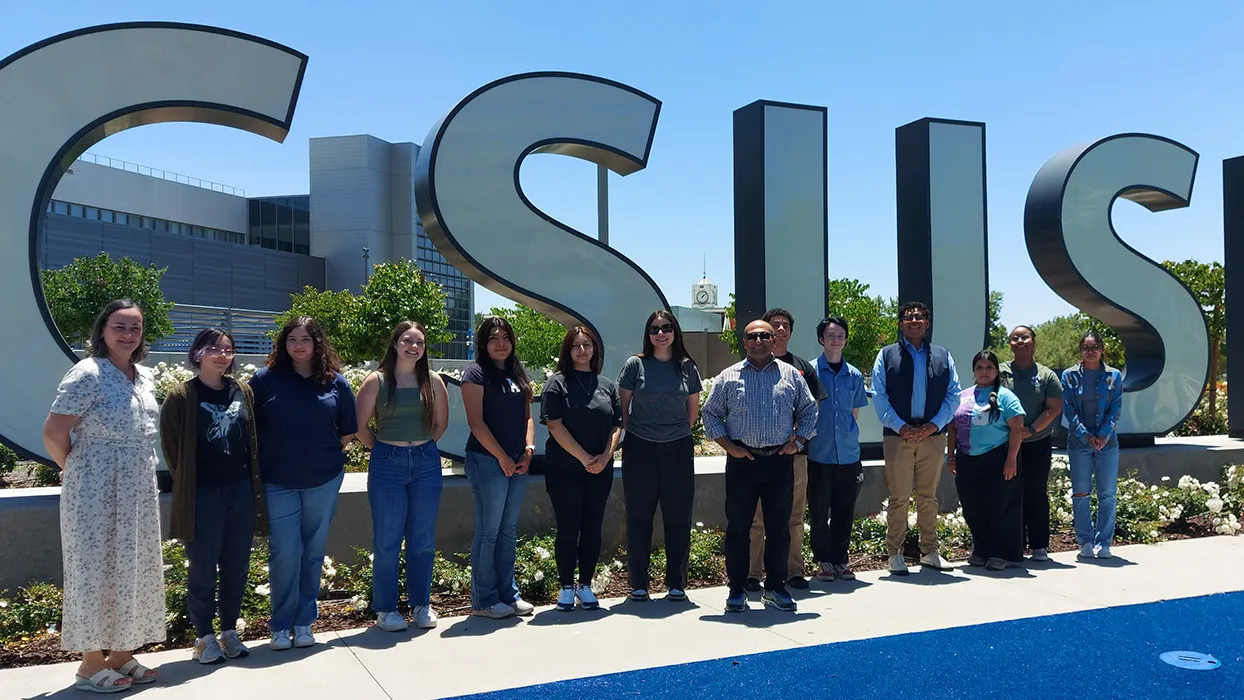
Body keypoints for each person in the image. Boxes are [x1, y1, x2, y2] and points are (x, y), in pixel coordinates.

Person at [43, 299, 165, 692]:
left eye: (135, 327)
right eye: (120, 326)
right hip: (95, 488)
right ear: (103, 330)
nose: (128, 334)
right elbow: (54, 433)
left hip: (137, 490)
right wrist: (76, 471)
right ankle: (89, 664)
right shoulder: (87, 373)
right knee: (94, 571)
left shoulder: (142, 377)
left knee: (133, 567)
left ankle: (122, 654)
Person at [250, 317, 358, 650]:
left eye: (306, 339)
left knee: (312, 552)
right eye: (292, 339)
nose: (299, 345)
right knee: (285, 552)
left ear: (317, 344)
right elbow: (250, 430)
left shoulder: (336, 383)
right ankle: (281, 625)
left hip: (322, 480)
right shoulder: (264, 381)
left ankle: (304, 622)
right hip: (277, 480)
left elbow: (347, 433)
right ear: (283, 344)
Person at [160, 328, 267, 664]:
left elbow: (252, 438)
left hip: (240, 492)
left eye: (228, 349)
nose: (222, 355)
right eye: (214, 349)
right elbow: (172, 448)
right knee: (203, 567)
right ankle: (203, 637)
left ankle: (229, 632)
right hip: (203, 494)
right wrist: (191, 486)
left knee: (236, 565)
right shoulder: (181, 396)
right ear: (197, 354)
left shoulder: (242, 391)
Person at [702, 320, 818, 613]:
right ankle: (737, 590)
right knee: (739, 528)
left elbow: (810, 409)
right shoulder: (729, 376)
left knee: (779, 529)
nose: (759, 341)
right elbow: (710, 413)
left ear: (773, 340)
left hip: (779, 462)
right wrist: (730, 447)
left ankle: (776, 588)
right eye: (752, 336)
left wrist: (799, 441)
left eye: (764, 335)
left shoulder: (790, 375)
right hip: (743, 463)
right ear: (744, 341)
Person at [355, 321, 449, 632]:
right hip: (388, 465)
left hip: (425, 464)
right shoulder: (376, 381)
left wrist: (418, 449)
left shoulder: (433, 382)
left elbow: (440, 425)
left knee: (422, 540)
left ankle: (421, 604)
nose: (413, 346)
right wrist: (387, 450)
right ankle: (386, 609)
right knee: (387, 540)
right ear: (395, 344)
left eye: (419, 342)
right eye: (407, 340)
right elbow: (360, 427)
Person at [616, 310, 703, 602]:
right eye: (655, 328)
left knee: (678, 517)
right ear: (648, 333)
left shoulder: (687, 368)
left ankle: (676, 583)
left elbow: (693, 411)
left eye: (666, 327)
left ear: (675, 331)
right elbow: (623, 409)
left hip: (678, 449)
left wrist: (672, 433)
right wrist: (642, 433)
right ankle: (639, 583)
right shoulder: (634, 365)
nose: (661, 333)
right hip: (640, 449)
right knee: (639, 516)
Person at [871, 301, 961, 575]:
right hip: (898, 437)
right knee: (898, 497)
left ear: (928, 323)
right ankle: (894, 554)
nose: (914, 321)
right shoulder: (886, 355)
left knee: (928, 496)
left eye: (920, 317)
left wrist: (934, 426)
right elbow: (879, 395)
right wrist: (900, 426)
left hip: (932, 436)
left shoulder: (943, 356)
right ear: (900, 323)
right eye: (908, 317)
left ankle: (929, 552)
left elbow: (953, 395)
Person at [539, 326, 623, 612]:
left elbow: (616, 426)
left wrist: (604, 457)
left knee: (592, 526)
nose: (582, 350)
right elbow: (554, 425)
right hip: (565, 469)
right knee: (568, 527)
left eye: (587, 345)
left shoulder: (607, 385)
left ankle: (585, 585)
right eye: (576, 345)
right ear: (568, 350)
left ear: (595, 349)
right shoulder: (557, 384)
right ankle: (565, 586)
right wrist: (586, 457)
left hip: (601, 468)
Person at [745, 308, 826, 591]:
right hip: (756, 457)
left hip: (794, 455)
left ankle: (793, 571)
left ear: (790, 332)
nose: (780, 330)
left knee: (793, 515)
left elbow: (814, 407)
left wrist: (797, 438)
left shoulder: (801, 367)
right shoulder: (747, 367)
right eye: (774, 326)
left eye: (785, 326)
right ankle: (753, 573)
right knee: (756, 517)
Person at [461, 317, 537, 619]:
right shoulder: (476, 374)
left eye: (506, 337)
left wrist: (528, 449)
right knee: (489, 532)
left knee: (508, 531)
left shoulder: (517, 372)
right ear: (484, 342)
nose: (501, 343)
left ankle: (509, 594)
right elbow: (476, 423)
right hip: (486, 461)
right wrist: (502, 457)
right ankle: (483, 600)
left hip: (518, 462)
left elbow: (528, 417)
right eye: (494, 338)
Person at [946, 351, 1026, 570]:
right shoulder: (963, 396)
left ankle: (1000, 553)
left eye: (989, 367)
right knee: (973, 506)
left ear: (996, 370)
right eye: (979, 367)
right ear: (973, 371)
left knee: (998, 507)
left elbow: (1017, 427)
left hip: (996, 457)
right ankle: (981, 550)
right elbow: (952, 429)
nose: (984, 371)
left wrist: (1011, 460)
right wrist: (950, 457)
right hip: (967, 459)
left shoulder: (1006, 396)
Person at [805, 316, 870, 582]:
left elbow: (854, 413)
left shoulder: (854, 375)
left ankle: (840, 560)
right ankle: (823, 561)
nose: (835, 340)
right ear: (821, 339)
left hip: (848, 454)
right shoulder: (809, 371)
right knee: (819, 511)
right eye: (830, 335)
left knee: (845, 510)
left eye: (840, 335)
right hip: (818, 454)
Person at [999, 325, 1064, 562]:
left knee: (1036, 493)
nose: (1020, 341)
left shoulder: (1047, 375)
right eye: (1015, 338)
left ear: (1033, 343)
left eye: (1024, 337)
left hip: (1037, 442)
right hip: (1006, 445)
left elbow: (1054, 408)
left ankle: (1039, 546)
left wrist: (1031, 429)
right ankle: (1014, 547)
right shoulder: (1001, 372)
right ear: (1010, 344)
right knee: (1009, 494)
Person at [1061, 331, 1124, 559]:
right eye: (1086, 347)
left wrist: (1104, 435)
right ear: (1080, 350)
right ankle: (1085, 541)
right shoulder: (1069, 376)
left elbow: (1115, 408)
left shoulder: (1114, 376)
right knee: (1080, 492)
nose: (1091, 351)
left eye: (1095, 346)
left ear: (1102, 349)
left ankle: (1104, 542)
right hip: (1079, 442)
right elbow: (1068, 409)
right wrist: (1085, 435)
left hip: (1107, 442)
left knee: (1107, 493)